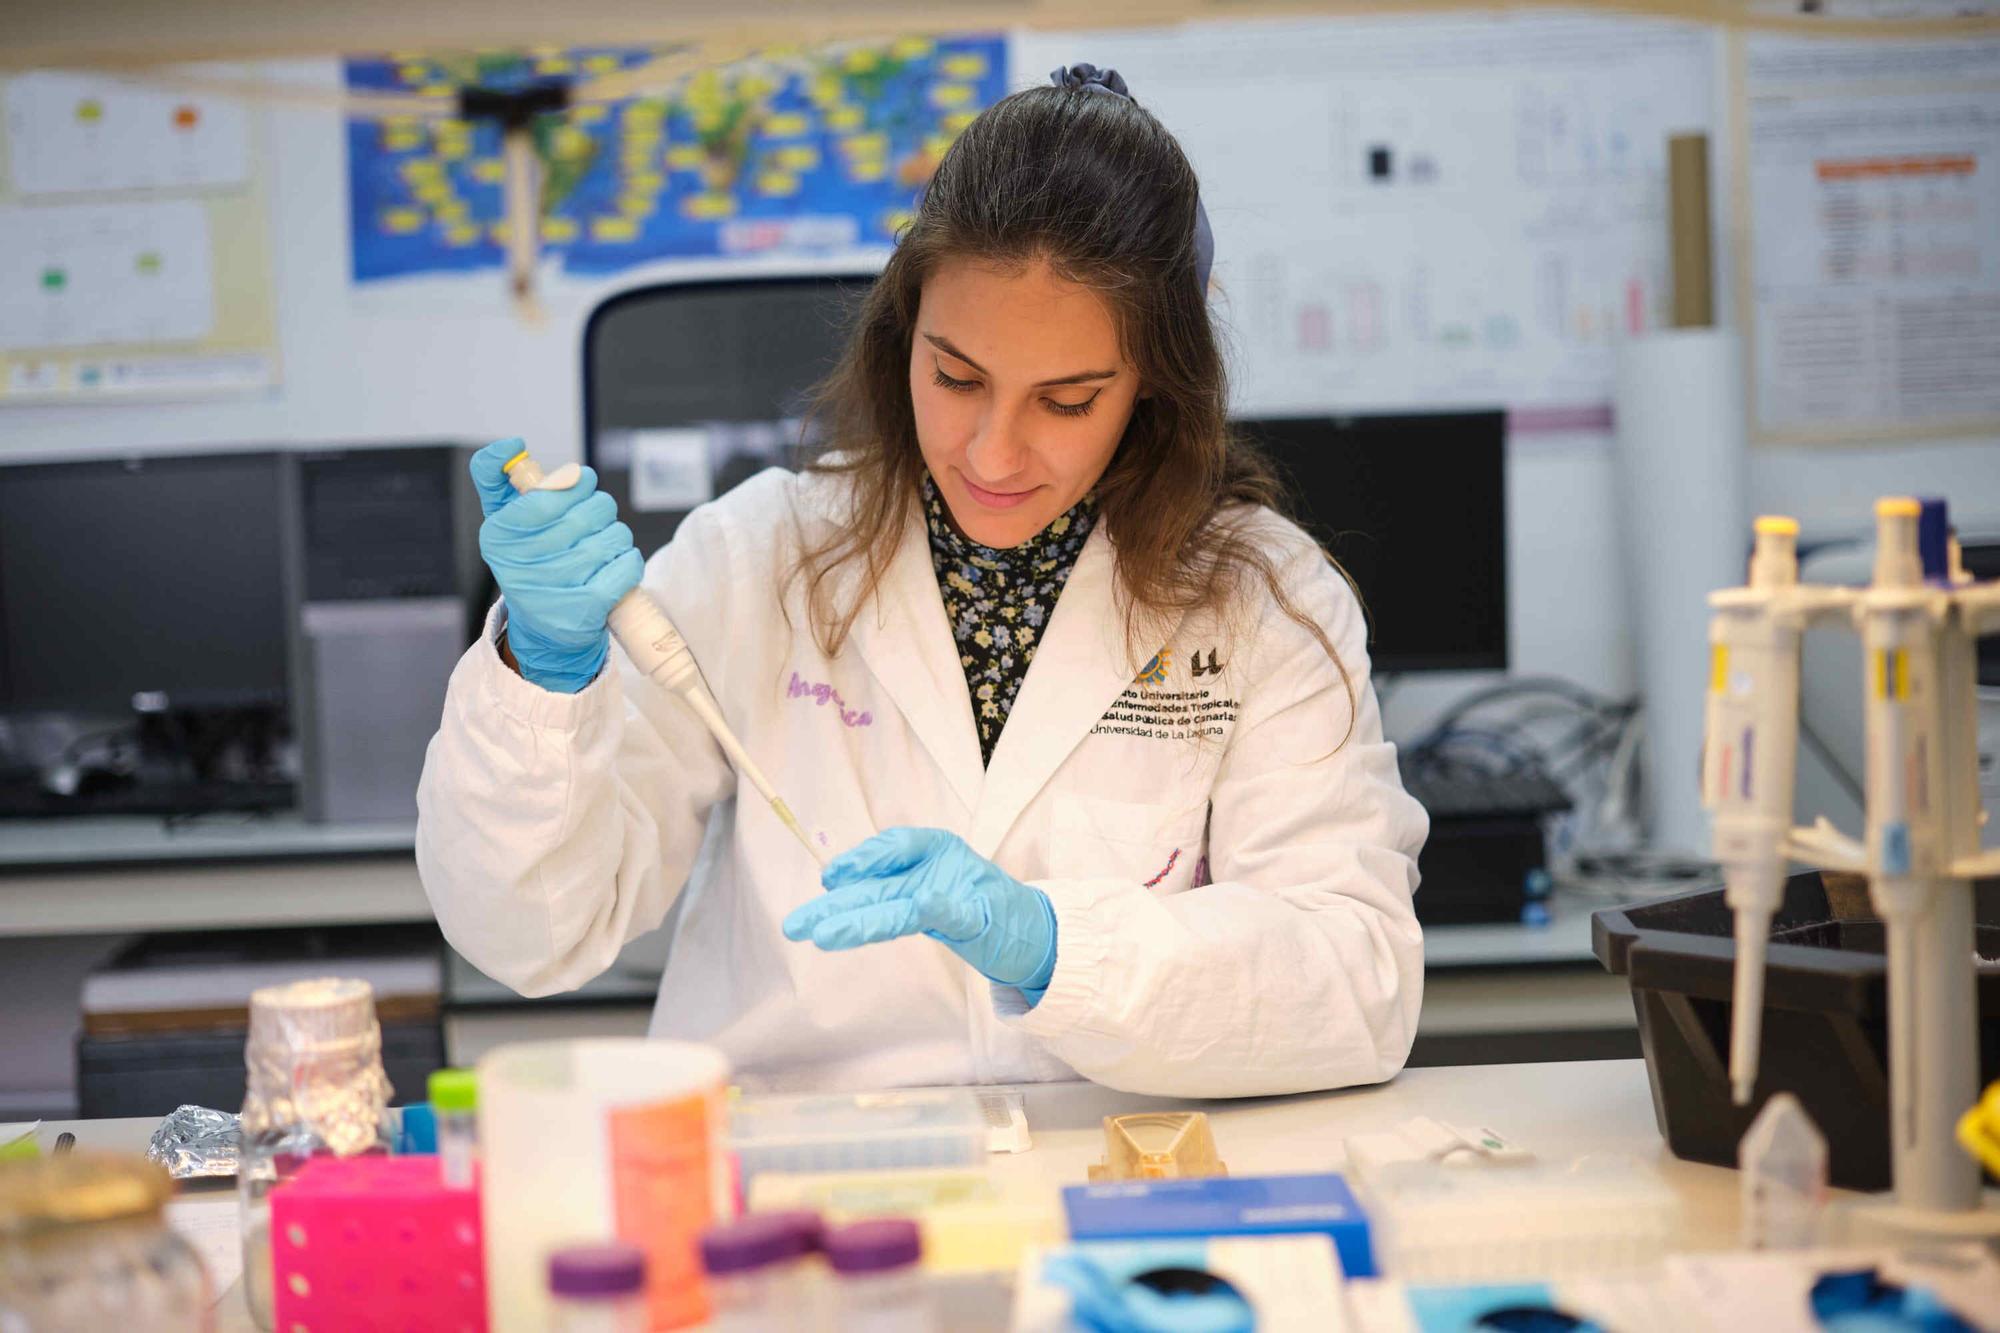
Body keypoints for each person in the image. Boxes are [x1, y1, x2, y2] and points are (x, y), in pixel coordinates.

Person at [417, 65, 1427, 1097]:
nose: (992, 453)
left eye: (1066, 400)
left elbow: (1358, 986)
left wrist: (1049, 944)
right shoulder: (760, 557)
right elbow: (533, 931)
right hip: (802, 1189)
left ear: (1153, 388)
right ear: (904, 336)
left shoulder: (1259, 600)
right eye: (955, 377)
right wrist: (541, 676)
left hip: (1116, 1180)